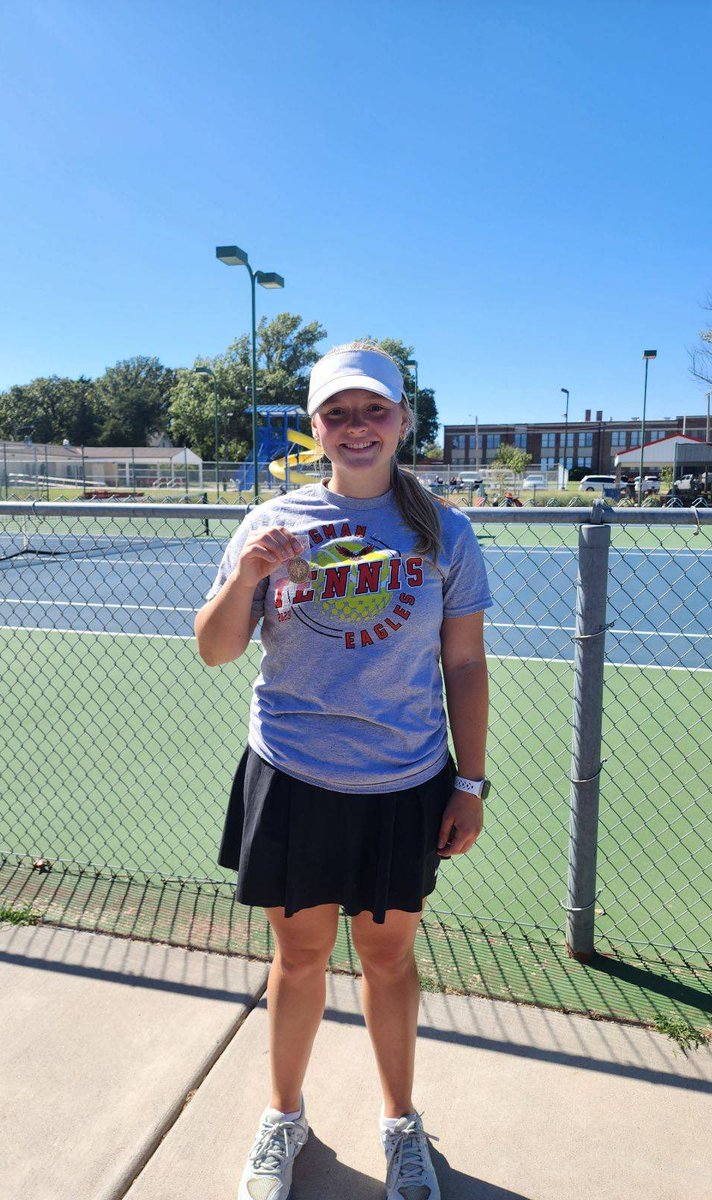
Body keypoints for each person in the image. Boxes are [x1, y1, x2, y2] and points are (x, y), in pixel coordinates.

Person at [194, 341, 492, 1200]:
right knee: (299, 958)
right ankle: (283, 1116)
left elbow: (465, 664)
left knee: (388, 959)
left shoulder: (444, 531)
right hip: (293, 774)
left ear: (402, 421)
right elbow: (215, 649)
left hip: (404, 782)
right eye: (338, 413)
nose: (357, 427)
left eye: (374, 410)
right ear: (315, 427)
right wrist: (248, 576)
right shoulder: (271, 522)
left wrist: (470, 784)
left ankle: (401, 1125)